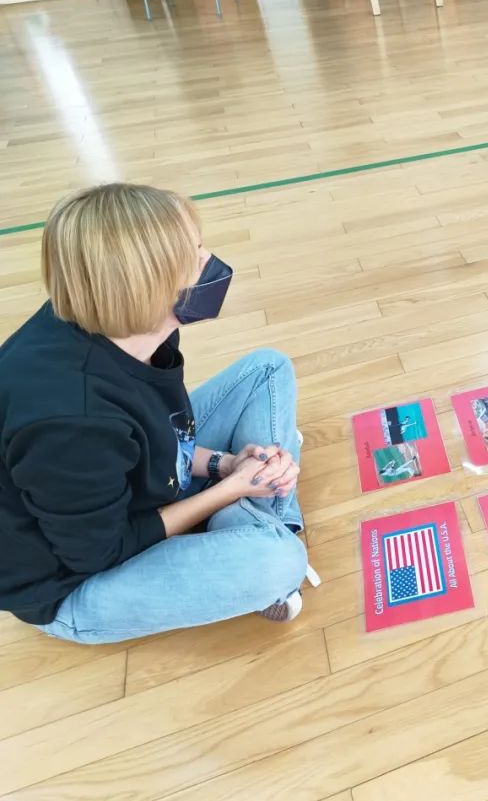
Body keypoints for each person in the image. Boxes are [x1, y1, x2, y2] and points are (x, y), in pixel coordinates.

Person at [0, 183, 310, 645]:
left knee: (268, 368)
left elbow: (164, 431)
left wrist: (226, 464)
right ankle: (261, 525)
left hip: (136, 486)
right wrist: (229, 489)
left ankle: (252, 521)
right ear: (149, 284)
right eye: (194, 255)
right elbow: (101, 552)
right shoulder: (71, 423)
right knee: (279, 562)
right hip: (74, 583)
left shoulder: (131, 323)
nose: (209, 260)